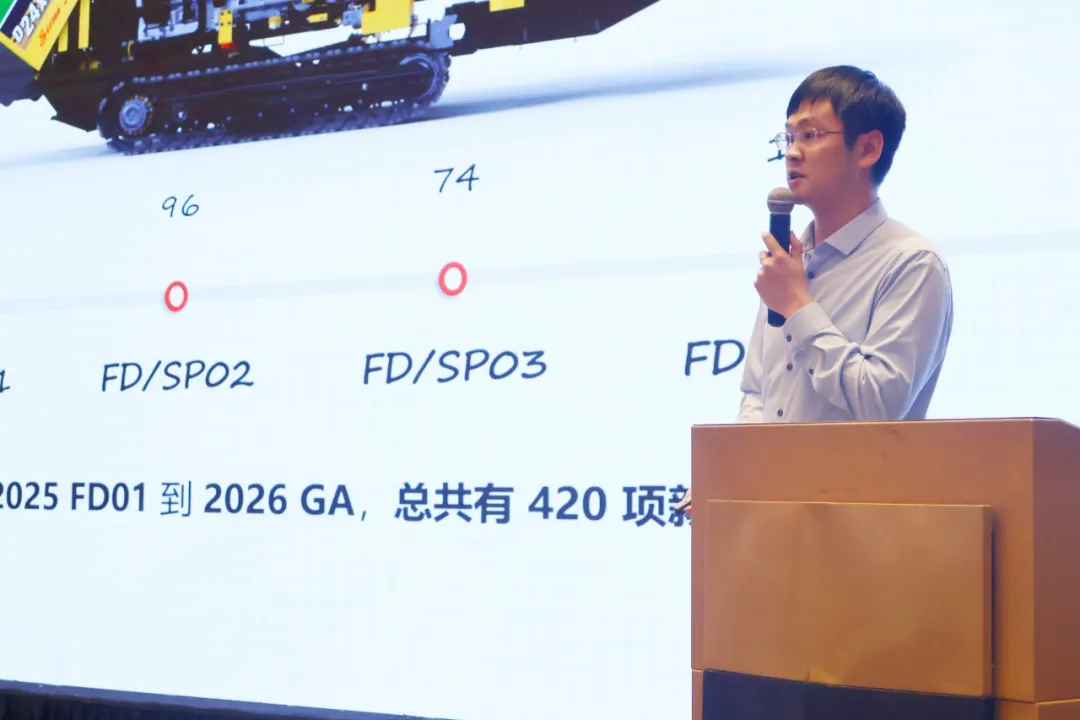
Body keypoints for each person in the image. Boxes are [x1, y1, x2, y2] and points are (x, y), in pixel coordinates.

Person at [679, 65, 953, 518]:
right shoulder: (791, 262)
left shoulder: (911, 263)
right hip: (772, 524)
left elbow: (881, 405)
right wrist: (734, 476)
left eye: (809, 135)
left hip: (859, 527)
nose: (792, 153)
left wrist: (798, 306)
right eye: (788, 138)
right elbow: (758, 393)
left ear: (868, 148)